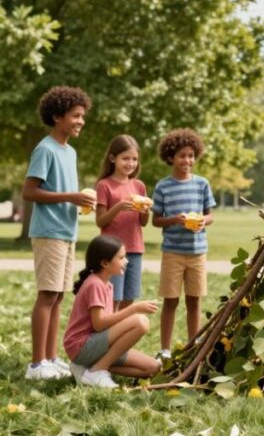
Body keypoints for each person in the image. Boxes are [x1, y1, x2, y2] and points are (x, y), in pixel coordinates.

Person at [21, 86, 96, 381]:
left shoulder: (70, 151)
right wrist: (70, 197)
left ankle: (51, 358)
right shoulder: (45, 149)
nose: (81, 121)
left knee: (59, 295)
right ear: (57, 116)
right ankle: (37, 364)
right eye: (75, 116)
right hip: (48, 230)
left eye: (82, 116)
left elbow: (64, 192)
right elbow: (29, 191)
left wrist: (77, 203)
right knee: (47, 294)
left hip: (67, 229)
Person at [151, 129, 216, 360]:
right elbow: (156, 220)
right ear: (170, 157)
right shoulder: (162, 187)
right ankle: (165, 349)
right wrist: (174, 220)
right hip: (172, 253)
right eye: (182, 156)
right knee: (170, 301)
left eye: (190, 155)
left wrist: (201, 221)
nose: (187, 160)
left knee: (194, 300)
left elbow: (210, 215)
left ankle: (193, 345)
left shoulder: (202, 184)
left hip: (197, 252)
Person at [63, 235, 161, 388]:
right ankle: (98, 371)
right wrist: (134, 309)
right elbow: (99, 325)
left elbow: (107, 324)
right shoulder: (95, 284)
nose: (126, 261)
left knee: (153, 368)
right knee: (140, 322)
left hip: (97, 346)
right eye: (121, 258)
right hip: (81, 347)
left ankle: (88, 369)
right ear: (104, 263)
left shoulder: (107, 285)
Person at [95, 135, 151, 311]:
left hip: (134, 249)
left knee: (129, 298)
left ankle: (121, 333)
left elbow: (143, 223)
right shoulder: (104, 185)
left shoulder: (139, 186)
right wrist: (118, 207)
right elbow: (100, 221)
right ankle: (108, 335)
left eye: (134, 159)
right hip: (112, 251)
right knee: (113, 297)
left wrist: (146, 211)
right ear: (113, 158)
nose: (130, 163)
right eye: (125, 158)